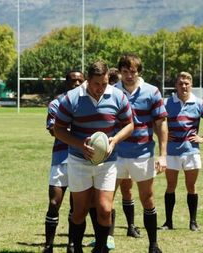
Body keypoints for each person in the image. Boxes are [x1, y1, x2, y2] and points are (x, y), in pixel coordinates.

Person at [54, 61, 134, 253]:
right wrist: (80, 145)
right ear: (88, 80)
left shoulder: (118, 96)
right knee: (79, 211)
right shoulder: (72, 99)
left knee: (105, 209)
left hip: (107, 162)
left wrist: (114, 141)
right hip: (79, 161)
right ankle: (76, 248)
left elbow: (129, 125)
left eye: (104, 83)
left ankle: (100, 248)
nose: (100, 88)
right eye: (96, 83)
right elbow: (58, 130)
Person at [114, 53, 168, 253]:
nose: (129, 75)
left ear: (139, 72)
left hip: (143, 154)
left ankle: (153, 244)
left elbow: (161, 124)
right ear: (119, 72)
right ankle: (105, 242)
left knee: (147, 198)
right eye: (125, 71)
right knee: (106, 199)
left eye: (133, 71)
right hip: (115, 154)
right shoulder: (111, 92)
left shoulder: (152, 92)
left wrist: (162, 155)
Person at [160, 71, 203, 232]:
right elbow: (157, 122)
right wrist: (164, 135)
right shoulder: (167, 103)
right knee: (170, 185)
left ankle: (193, 222)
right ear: (176, 85)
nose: (183, 86)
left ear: (191, 85)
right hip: (172, 152)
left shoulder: (199, 103)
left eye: (186, 83)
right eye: (181, 83)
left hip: (191, 152)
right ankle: (168, 222)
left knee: (191, 186)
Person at [43, 70, 84, 253]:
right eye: (73, 80)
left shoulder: (88, 103)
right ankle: (48, 245)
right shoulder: (55, 104)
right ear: (66, 83)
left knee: (76, 207)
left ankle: (72, 245)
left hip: (81, 160)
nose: (76, 83)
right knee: (54, 204)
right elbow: (55, 131)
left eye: (80, 80)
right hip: (60, 159)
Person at [108, 66, 142, 240]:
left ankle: (130, 226)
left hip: (133, 150)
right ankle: (109, 234)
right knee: (110, 192)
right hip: (115, 150)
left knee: (128, 191)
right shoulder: (112, 94)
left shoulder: (138, 93)